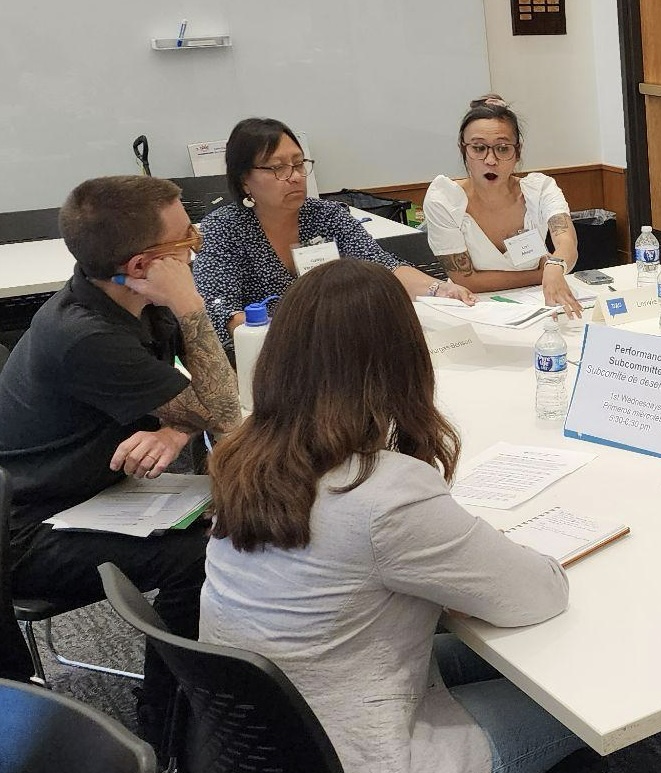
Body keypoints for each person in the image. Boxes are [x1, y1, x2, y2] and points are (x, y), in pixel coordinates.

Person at [200, 259, 583, 773]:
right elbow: (537, 596)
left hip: (270, 727)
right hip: (362, 748)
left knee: (498, 658)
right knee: (578, 703)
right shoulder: (381, 493)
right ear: (402, 358)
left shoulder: (243, 455)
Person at [0, 175, 241, 746]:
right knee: (204, 554)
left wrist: (178, 422)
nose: (199, 243)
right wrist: (191, 306)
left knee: (230, 517)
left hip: (97, 493)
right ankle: (168, 718)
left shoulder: (129, 298)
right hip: (30, 529)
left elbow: (208, 401)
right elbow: (227, 408)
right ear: (141, 265)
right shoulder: (87, 335)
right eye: (185, 238)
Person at [192, 117, 475, 354]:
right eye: (278, 168)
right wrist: (291, 337)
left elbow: (381, 266)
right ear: (244, 179)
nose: (295, 176)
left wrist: (439, 289)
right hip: (266, 359)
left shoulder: (327, 216)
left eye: (298, 163)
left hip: (341, 350)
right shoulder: (223, 230)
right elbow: (218, 311)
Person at [422, 94, 585, 317]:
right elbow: (465, 279)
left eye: (502, 148)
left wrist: (555, 265)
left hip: (540, 302)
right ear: (464, 150)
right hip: (473, 306)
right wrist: (540, 274)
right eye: (479, 148)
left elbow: (566, 240)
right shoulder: (444, 199)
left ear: (517, 152)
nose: (490, 160)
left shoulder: (540, 189)